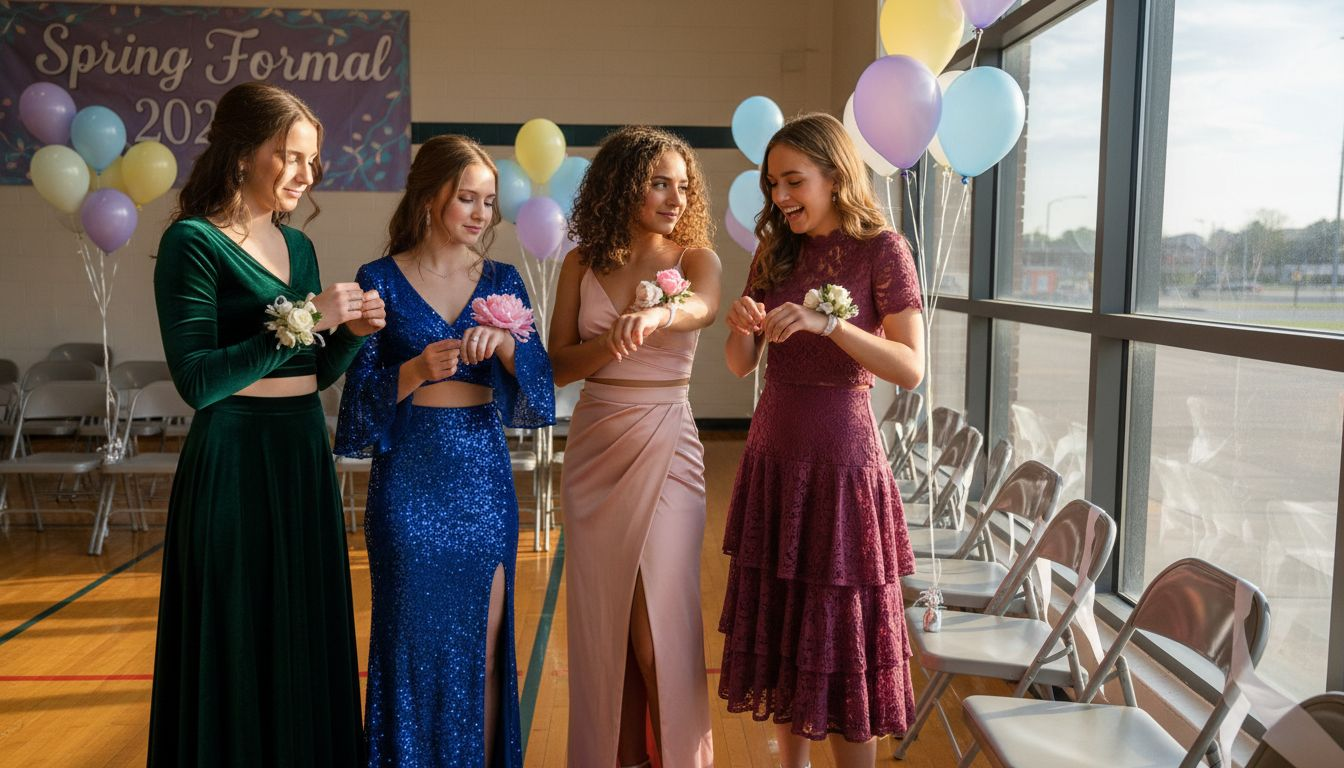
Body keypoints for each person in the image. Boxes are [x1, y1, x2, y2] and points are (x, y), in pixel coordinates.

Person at [148, 81, 384, 766]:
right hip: (233, 459)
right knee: (237, 627)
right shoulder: (192, 242)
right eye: (291, 156)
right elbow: (199, 382)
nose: (306, 174)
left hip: (300, 451)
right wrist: (310, 316)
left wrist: (351, 335)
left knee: (300, 625)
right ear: (243, 153)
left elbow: (310, 373)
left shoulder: (297, 247)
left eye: (312, 160)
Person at [334, 135, 554, 767]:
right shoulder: (379, 279)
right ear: (431, 197)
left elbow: (541, 392)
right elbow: (355, 410)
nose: (481, 213)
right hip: (408, 481)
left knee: (485, 653)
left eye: (488, 200)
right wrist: (414, 371)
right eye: (467, 198)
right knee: (409, 651)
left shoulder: (504, 281)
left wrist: (507, 347)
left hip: (482, 480)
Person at [717, 112, 925, 768]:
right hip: (775, 456)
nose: (779, 196)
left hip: (843, 462)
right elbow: (739, 365)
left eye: (793, 181)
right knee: (787, 627)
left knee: (842, 631)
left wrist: (828, 324)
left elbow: (910, 368)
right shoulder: (773, 251)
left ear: (835, 177)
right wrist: (741, 325)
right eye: (772, 184)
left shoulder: (883, 249)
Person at [549, 126, 721, 768]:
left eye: (684, 186)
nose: (676, 198)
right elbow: (558, 365)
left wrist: (658, 314)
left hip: (666, 444)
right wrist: (610, 343)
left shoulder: (696, 258)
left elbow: (704, 307)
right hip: (595, 448)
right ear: (623, 187)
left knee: (658, 635)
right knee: (608, 632)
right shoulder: (580, 262)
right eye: (659, 184)